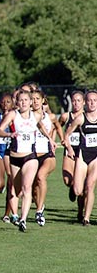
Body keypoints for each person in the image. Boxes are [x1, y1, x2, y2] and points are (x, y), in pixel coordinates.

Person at [0, 90, 54, 232]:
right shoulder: (13, 115)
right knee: (16, 190)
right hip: (15, 157)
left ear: (30, 103)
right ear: (17, 102)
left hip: (30, 157)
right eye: (20, 100)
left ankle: (23, 219)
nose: (23, 103)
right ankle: (17, 215)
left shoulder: (35, 115)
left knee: (26, 187)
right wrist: (9, 134)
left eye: (25, 100)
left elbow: (40, 125)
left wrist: (50, 138)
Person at [63, 90, 97, 225]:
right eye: (90, 100)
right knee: (78, 190)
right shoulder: (81, 118)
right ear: (86, 102)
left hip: (96, 157)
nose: (92, 103)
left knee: (90, 186)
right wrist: (70, 149)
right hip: (82, 155)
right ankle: (74, 188)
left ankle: (86, 218)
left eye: (95, 100)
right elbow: (66, 135)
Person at [32, 90, 63, 226]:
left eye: (37, 98)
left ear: (43, 100)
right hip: (32, 154)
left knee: (41, 176)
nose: (35, 101)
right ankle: (39, 205)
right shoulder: (27, 117)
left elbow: (58, 125)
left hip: (47, 154)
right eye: (32, 99)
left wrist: (61, 139)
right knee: (33, 188)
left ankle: (39, 211)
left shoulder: (50, 117)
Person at [59, 91, 85, 206]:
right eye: (74, 100)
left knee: (80, 185)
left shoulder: (87, 117)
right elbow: (57, 127)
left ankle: (80, 212)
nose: (76, 103)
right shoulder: (66, 116)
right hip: (69, 150)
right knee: (67, 180)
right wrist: (62, 139)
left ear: (83, 102)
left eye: (79, 100)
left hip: (82, 152)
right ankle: (72, 187)